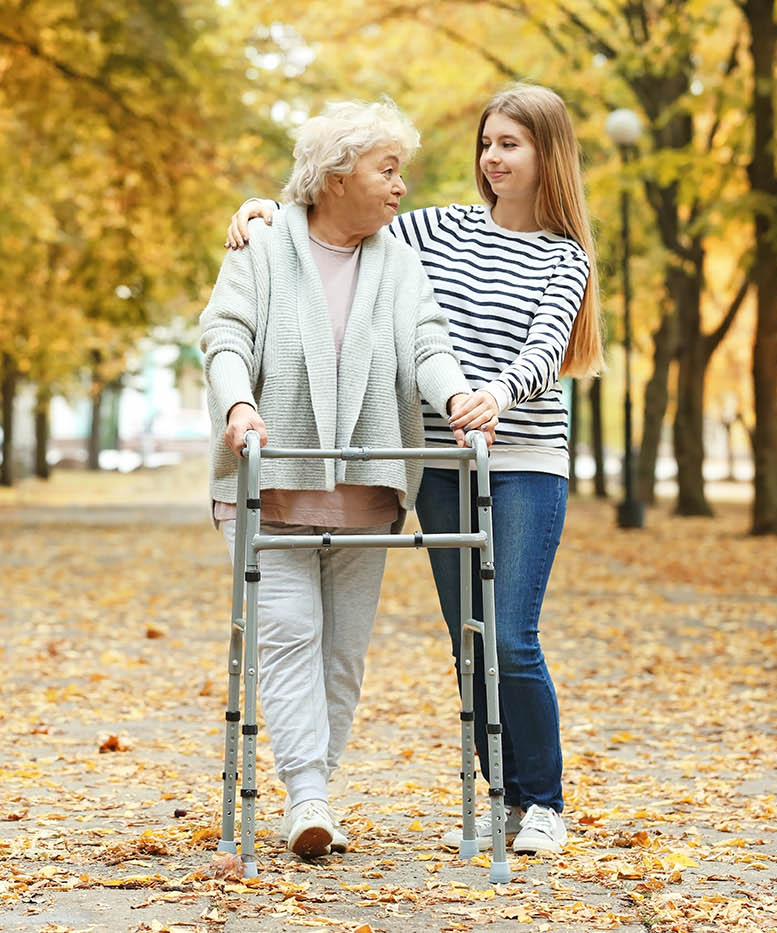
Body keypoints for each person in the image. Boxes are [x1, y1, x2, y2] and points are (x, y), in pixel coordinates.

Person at [225, 84, 603, 856]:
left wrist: (494, 394)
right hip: (436, 457)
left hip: (523, 457)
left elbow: (544, 347)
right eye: (488, 143)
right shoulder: (434, 229)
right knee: (467, 638)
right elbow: (337, 216)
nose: (493, 159)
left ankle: (545, 800)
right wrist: (261, 207)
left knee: (509, 636)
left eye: (511, 145)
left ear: (547, 154)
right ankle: (501, 791)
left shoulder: (566, 258)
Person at [200, 99, 478, 860]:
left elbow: (427, 341)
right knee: (290, 636)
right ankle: (308, 796)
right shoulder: (261, 244)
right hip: (272, 481)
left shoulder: (399, 259)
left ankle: (312, 786)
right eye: (387, 169)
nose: (399, 187)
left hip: (368, 489)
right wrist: (238, 401)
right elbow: (225, 333)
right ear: (333, 175)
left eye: (401, 172)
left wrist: (454, 394)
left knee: (343, 652)